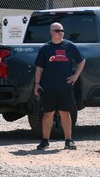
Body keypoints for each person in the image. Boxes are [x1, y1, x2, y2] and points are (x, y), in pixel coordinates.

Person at [34, 22, 85, 151]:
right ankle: (45, 141)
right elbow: (39, 68)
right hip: (48, 86)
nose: (60, 33)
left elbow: (82, 61)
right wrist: (37, 84)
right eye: (57, 30)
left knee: (65, 113)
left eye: (62, 30)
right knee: (48, 113)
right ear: (51, 32)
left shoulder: (70, 46)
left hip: (65, 86)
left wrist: (75, 76)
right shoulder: (45, 48)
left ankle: (69, 140)